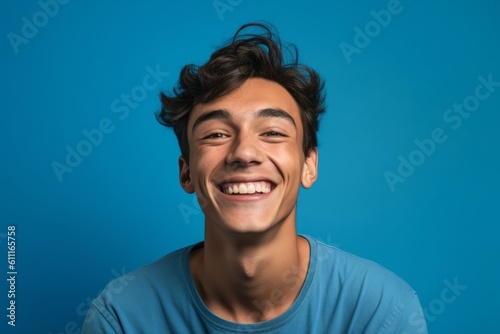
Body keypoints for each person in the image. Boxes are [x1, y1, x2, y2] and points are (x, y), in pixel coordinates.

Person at [82, 23, 428, 333]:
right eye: (216, 134)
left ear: (310, 164)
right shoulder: (122, 318)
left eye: (273, 132)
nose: (244, 152)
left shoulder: (380, 312)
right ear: (186, 173)